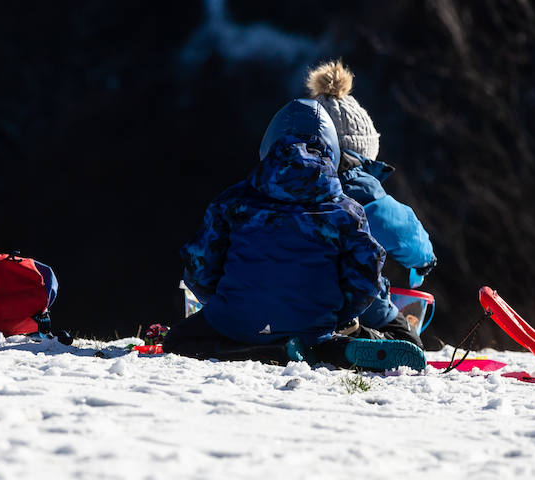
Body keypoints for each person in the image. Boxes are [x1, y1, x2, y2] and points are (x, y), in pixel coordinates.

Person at [163, 98, 427, 372]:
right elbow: (365, 277)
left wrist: (222, 301)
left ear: (268, 145)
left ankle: (255, 349)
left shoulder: (232, 201)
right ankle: (335, 349)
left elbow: (199, 265)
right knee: (320, 338)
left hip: (235, 320)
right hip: (314, 326)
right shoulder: (347, 210)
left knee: (178, 340)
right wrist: (338, 316)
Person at [306, 60, 438, 341]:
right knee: (408, 340)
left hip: (291, 296)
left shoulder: (286, 180)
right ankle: (365, 339)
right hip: (355, 301)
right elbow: (405, 232)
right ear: (364, 150)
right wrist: (423, 261)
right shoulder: (362, 191)